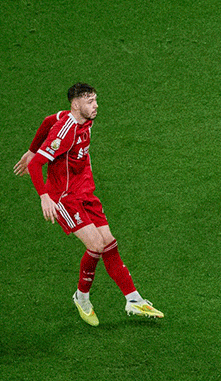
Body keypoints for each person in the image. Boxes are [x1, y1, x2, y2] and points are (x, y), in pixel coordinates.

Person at [14, 83, 164, 326]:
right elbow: (35, 165)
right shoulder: (65, 132)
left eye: (95, 100)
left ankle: (133, 300)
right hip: (65, 197)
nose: (96, 106)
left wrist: (30, 149)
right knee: (96, 245)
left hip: (85, 192)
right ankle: (82, 298)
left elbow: (48, 119)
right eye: (90, 101)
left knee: (109, 243)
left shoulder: (83, 120)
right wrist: (44, 196)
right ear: (76, 104)